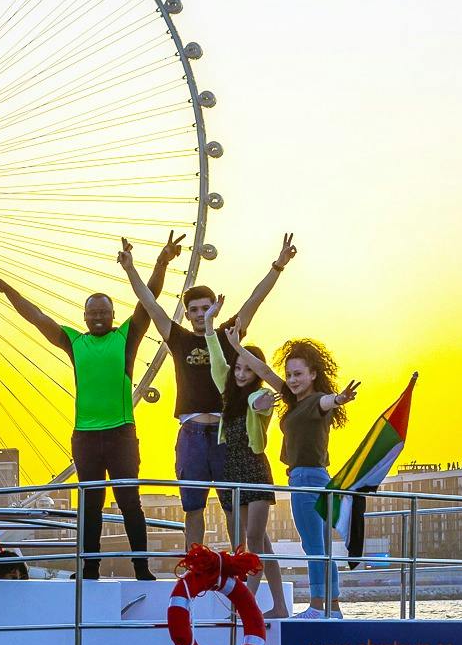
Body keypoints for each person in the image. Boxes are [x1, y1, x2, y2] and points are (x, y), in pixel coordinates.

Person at [0, 233, 180, 579]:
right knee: (90, 505)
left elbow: (149, 299)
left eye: (104, 311)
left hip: (121, 433)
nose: (99, 316)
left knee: (129, 502)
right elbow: (36, 316)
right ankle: (89, 569)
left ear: (113, 314)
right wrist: (6, 289)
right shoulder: (74, 342)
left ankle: (142, 568)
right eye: (93, 312)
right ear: (85, 316)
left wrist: (161, 261)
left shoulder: (126, 337)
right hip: (85, 436)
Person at [122, 234, 297, 548]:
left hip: (225, 433)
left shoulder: (226, 335)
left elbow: (255, 300)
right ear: (187, 314)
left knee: (233, 508)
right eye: (195, 309)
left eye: (206, 307)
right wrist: (131, 269)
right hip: (191, 433)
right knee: (193, 507)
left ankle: (237, 565)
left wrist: (278, 266)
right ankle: (195, 567)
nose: (201, 313)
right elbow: (149, 302)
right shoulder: (178, 338)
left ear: (215, 307)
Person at [232, 337, 359, 618]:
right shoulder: (293, 399)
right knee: (322, 546)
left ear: (313, 374)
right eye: (289, 374)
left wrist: (340, 399)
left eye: (298, 374)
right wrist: (239, 350)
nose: (292, 380)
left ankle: (317, 606)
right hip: (316, 478)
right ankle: (333, 608)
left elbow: (329, 401)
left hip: (307, 479)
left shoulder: (315, 401)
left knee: (313, 545)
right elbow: (265, 372)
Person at [183, 302, 289, 618]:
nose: (242, 374)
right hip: (232, 472)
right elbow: (217, 359)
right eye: (239, 368)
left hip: (254, 471)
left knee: (254, 540)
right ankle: (280, 605)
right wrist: (214, 325)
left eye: (248, 369)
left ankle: (247, 604)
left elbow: (261, 403)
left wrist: (264, 400)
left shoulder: (258, 397)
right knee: (259, 544)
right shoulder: (228, 394)